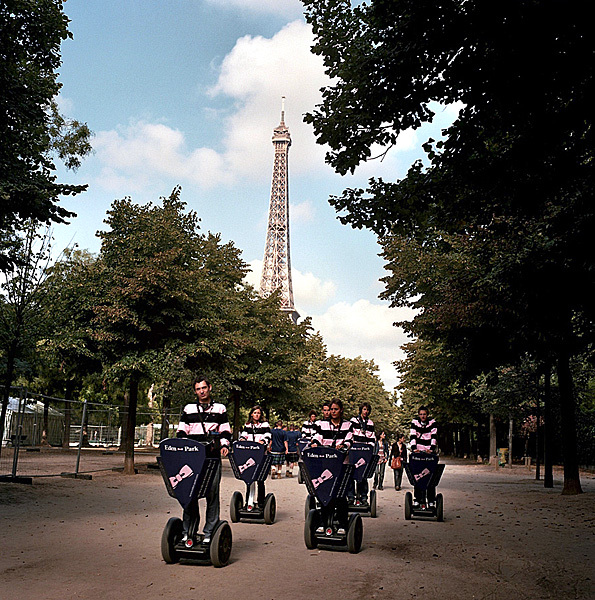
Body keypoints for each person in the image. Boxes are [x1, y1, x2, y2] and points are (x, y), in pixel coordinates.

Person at [176, 376, 231, 543]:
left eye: (204, 388)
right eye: (198, 389)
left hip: (212, 456)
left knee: (212, 493)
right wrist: (183, 447)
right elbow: (181, 431)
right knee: (190, 493)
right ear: (195, 391)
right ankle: (188, 531)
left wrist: (224, 445)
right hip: (193, 456)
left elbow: (226, 432)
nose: (201, 391)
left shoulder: (220, 409)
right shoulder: (189, 409)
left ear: (210, 388)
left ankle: (209, 533)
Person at [310, 399, 353, 534]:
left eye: (335, 409)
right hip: (325, 463)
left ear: (341, 410)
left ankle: (342, 524)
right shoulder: (322, 424)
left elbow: (350, 440)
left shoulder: (348, 425)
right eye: (331, 409)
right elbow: (317, 437)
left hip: (341, 464)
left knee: (340, 495)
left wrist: (344, 446)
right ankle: (323, 522)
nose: (332, 412)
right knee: (325, 493)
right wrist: (315, 443)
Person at [238, 405, 271, 507]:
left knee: (260, 480)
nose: (256, 415)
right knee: (249, 479)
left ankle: (261, 503)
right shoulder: (248, 425)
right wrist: (242, 439)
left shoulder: (265, 424)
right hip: (250, 454)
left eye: (258, 413)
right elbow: (244, 435)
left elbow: (268, 436)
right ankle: (248, 501)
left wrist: (263, 441)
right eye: (255, 413)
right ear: (251, 414)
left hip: (261, 454)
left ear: (260, 415)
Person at [410, 406, 438, 506]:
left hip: (428, 452)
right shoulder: (414, 423)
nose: (423, 416)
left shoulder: (432, 423)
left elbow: (434, 436)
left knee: (430, 476)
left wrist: (432, 449)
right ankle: (418, 499)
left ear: (427, 414)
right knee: (417, 476)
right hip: (418, 452)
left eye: (424, 414)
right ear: (418, 415)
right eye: (421, 414)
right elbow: (413, 436)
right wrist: (414, 448)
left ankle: (431, 500)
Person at [348, 402, 376, 503]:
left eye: (367, 410)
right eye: (364, 409)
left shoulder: (370, 423)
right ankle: (351, 496)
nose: (366, 411)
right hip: (354, 449)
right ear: (361, 410)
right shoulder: (353, 420)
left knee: (363, 474)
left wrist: (370, 447)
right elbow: (350, 434)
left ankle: (363, 496)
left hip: (364, 450)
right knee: (351, 473)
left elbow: (372, 437)